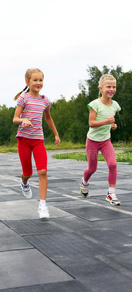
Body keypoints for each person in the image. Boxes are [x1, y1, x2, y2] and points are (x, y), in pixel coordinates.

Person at [13, 68, 61, 219]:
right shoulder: (23, 99)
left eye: (40, 80)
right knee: (28, 173)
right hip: (24, 140)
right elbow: (15, 119)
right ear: (27, 82)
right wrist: (23, 120)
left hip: (38, 140)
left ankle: (42, 205)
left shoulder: (45, 100)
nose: (38, 83)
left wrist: (56, 134)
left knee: (43, 171)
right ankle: (24, 182)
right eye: (35, 80)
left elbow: (48, 118)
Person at [80, 74, 121, 205]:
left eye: (114, 87)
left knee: (113, 164)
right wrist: (106, 121)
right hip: (92, 141)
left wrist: (112, 125)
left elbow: (110, 122)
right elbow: (91, 123)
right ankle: (84, 182)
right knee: (92, 169)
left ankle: (111, 193)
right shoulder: (95, 104)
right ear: (101, 88)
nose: (111, 89)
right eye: (108, 86)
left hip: (105, 141)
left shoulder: (115, 105)